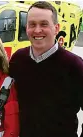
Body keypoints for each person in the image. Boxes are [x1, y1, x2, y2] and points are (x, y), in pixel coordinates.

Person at [9, 1, 83, 137]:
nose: (37, 30)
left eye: (44, 24)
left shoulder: (75, 65)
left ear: (56, 28)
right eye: (32, 24)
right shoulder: (17, 59)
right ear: (26, 28)